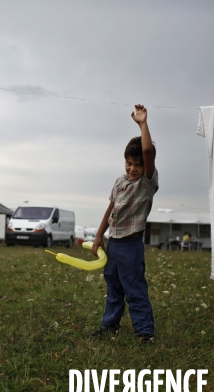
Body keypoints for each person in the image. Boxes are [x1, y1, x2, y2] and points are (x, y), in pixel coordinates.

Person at [90, 104, 158, 344]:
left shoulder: (147, 183)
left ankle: (144, 333)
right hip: (114, 244)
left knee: (134, 288)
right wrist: (99, 236)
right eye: (129, 163)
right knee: (114, 287)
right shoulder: (120, 181)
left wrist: (143, 125)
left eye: (138, 165)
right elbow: (111, 209)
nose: (133, 169)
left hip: (131, 245)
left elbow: (147, 151)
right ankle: (110, 325)